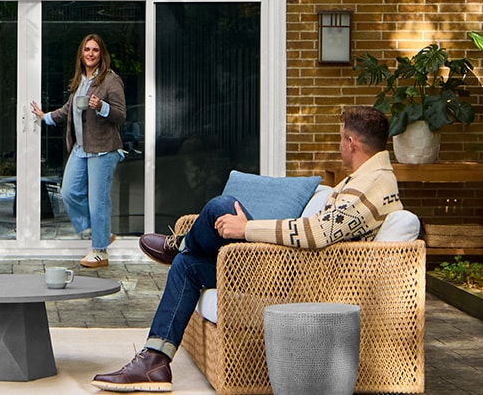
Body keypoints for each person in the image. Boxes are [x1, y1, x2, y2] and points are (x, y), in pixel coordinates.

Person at [91, 106, 402, 392]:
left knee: (222, 207)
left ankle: (182, 244)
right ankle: (155, 361)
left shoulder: (373, 184)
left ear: (351, 142)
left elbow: (318, 233)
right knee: (188, 266)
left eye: (340, 139)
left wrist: (247, 229)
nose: (339, 145)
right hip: (289, 266)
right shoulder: (366, 177)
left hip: (294, 277)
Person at [31, 33, 127, 268]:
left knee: (98, 202)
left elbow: (121, 115)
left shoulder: (111, 80)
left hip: (103, 149)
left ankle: (100, 251)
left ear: (101, 54)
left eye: (95, 50)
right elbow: (68, 110)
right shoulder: (81, 80)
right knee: (68, 192)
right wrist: (45, 117)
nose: (90, 54)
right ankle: (100, 232)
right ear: (81, 54)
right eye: (87, 50)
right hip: (81, 148)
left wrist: (101, 106)